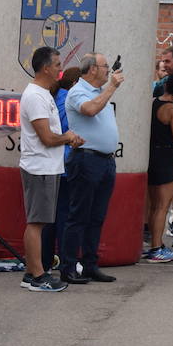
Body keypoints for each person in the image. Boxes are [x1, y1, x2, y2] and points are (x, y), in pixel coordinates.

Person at [19, 47, 83, 292]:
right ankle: (37, 275)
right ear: (46, 68)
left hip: (47, 166)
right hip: (39, 167)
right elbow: (46, 137)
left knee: (41, 221)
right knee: (36, 222)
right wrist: (67, 138)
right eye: (57, 64)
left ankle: (31, 273)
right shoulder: (35, 96)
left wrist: (68, 137)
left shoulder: (44, 93)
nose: (60, 69)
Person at [63, 53, 125, 284]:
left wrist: (107, 89)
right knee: (78, 215)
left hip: (105, 160)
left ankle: (90, 264)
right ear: (91, 70)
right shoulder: (78, 91)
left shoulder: (100, 92)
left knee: (96, 217)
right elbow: (89, 110)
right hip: (86, 160)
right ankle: (69, 266)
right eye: (104, 66)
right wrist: (111, 88)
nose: (108, 70)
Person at [144, 74, 173, 264]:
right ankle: (156, 247)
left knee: (154, 206)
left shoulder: (152, 103)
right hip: (166, 156)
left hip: (151, 157)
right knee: (163, 206)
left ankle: (156, 245)